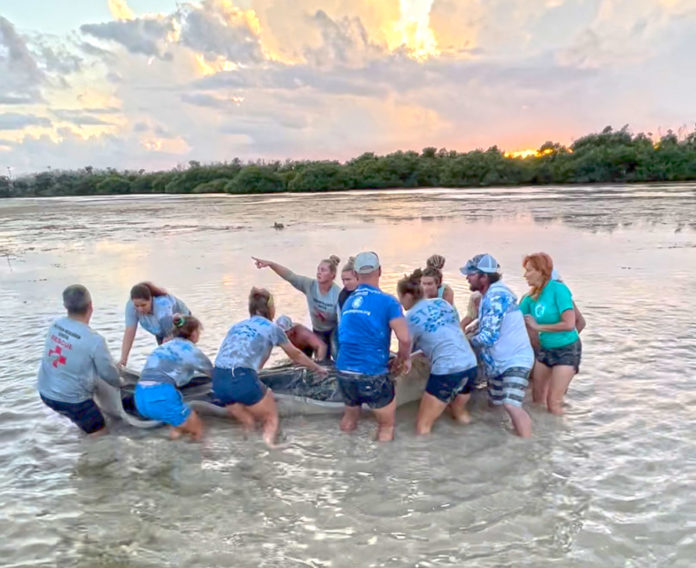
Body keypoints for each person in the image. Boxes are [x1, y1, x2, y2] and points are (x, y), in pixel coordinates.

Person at [213, 287, 328, 446]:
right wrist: (318, 368)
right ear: (270, 309)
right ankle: (269, 450)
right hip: (241, 379)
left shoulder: (237, 326)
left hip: (218, 380)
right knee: (270, 418)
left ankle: (246, 448)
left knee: (248, 422)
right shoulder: (272, 328)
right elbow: (296, 355)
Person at [336, 251, 411, 442]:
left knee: (350, 418)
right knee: (386, 426)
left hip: (344, 370)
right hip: (372, 372)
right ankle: (381, 469)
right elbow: (404, 339)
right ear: (380, 271)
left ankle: (344, 458)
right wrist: (403, 359)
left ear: (356, 273)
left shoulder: (348, 301)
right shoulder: (388, 302)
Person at [462, 253, 534, 437]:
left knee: (511, 404)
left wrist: (463, 341)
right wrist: (476, 324)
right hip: (497, 361)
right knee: (495, 404)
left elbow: (488, 337)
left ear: (484, 276)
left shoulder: (496, 296)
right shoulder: (490, 295)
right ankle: (499, 442)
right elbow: (493, 321)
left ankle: (528, 446)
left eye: (471, 274)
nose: (467, 277)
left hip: (514, 360)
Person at [397, 270, 478, 434]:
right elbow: (446, 337)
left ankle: (424, 457)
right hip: (470, 364)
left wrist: (401, 362)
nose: (400, 302)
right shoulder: (443, 304)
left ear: (407, 296)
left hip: (446, 371)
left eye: (400, 297)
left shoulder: (410, 317)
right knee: (460, 413)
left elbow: (404, 350)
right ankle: (473, 440)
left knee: (422, 426)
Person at [37, 285, 121, 436]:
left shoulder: (55, 325)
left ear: (65, 306)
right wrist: (121, 382)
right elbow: (109, 375)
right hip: (73, 401)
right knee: (102, 436)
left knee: (83, 422)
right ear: (91, 306)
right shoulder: (95, 340)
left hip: (45, 392)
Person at [520, 253, 582, 415]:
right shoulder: (530, 297)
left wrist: (537, 327)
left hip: (567, 349)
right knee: (537, 398)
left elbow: (570, 324)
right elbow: (512, 319)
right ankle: (541, 436)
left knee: (553, 402)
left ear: (541, 271)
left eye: (529, 270)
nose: (524, 275)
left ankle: (561, 437)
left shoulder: (558, 289)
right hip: (545, 349)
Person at [134, 314, 212, 441]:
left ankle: (174, 452)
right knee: (196, 426)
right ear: (193, 333)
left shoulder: (162, 347)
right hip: (160, 396)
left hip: (140, 397)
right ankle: (200, 456)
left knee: (177, 425)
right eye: (198, 331)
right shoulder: (190, 350)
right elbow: (214, 374)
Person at [251, 255, 341, 354]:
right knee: (321, 356)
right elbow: (290, 276)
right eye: (318, 269)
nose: (319, 272)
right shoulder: (309, 285)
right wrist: (271, 264)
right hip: (318, 330)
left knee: (336, 354)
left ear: (332, 275)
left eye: (323, 270)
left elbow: (343, 319)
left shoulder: (337, 294)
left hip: (334, 330)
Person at [119, 282, 190, 367]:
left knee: (176, 354)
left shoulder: (162, 306)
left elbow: (169, 335)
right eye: (137, 306)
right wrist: (123, 359)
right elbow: (129, 332)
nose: (140, 309)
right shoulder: (131, 306)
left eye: (143, 305)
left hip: (181, 324)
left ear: (151, 299)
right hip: (159, 328)